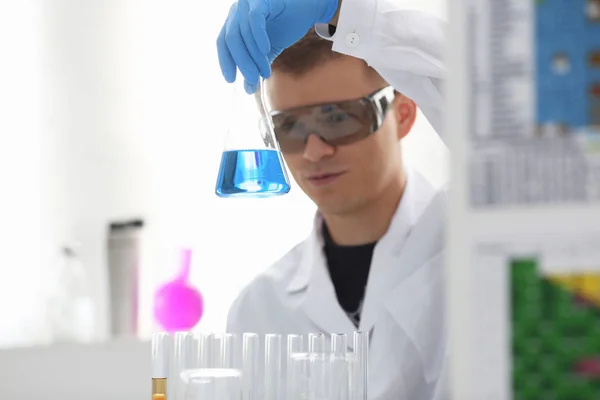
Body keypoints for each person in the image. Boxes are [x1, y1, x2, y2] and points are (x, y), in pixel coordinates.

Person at [217, 0, 448, 399]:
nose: (313, 151)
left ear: (404, 113)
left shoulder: (471, 251)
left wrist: (345, 9)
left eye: (337, 118)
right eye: (289, 127)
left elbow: (504, 101)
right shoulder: (257, 310)